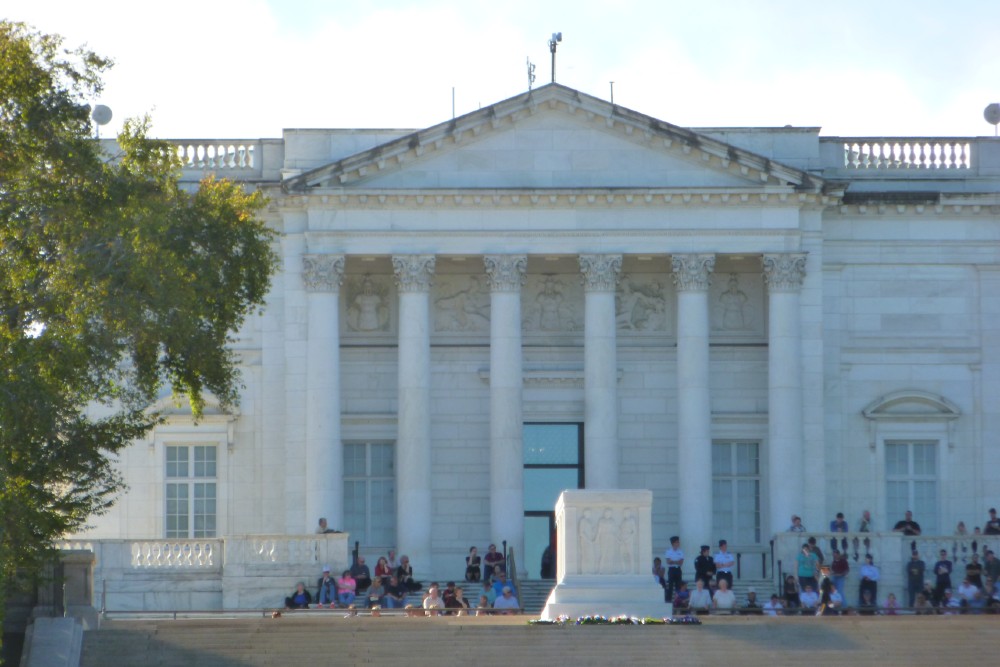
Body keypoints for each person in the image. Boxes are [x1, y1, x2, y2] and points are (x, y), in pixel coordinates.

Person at [664, 536, 684, 602]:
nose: (678, 543)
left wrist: (673, 561)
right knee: (670, 585)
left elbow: (681, 563)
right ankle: (668, 600)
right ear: (673, 543)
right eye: (677, 542)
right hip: (671, 570)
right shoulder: (668, 551)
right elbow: (668, 562)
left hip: (678, 569)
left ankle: (678, 600)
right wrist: (676, 561)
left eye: (678, 542)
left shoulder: (680, 552)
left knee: (678, 585)